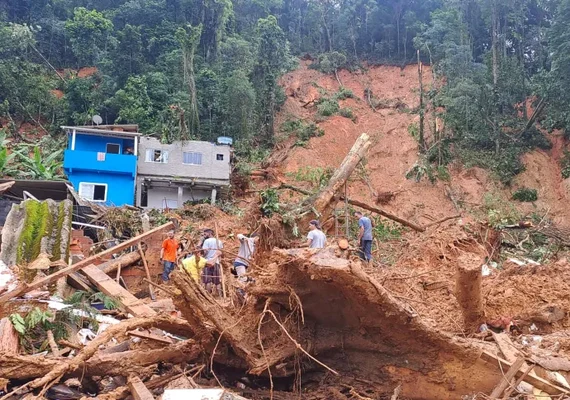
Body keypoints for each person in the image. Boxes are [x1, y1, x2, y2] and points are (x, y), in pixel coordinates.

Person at [201, 229, 223, 295]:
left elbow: (205, 251)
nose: (204, 236)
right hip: (216, 262)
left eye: (205, 234)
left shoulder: (207, 241)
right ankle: (220, 295)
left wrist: (202, 256)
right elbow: (220, 252)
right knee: (217, 280)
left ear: (209, 233)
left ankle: (208, 295)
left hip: (208, 262)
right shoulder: (219, 241)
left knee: (207, 280)